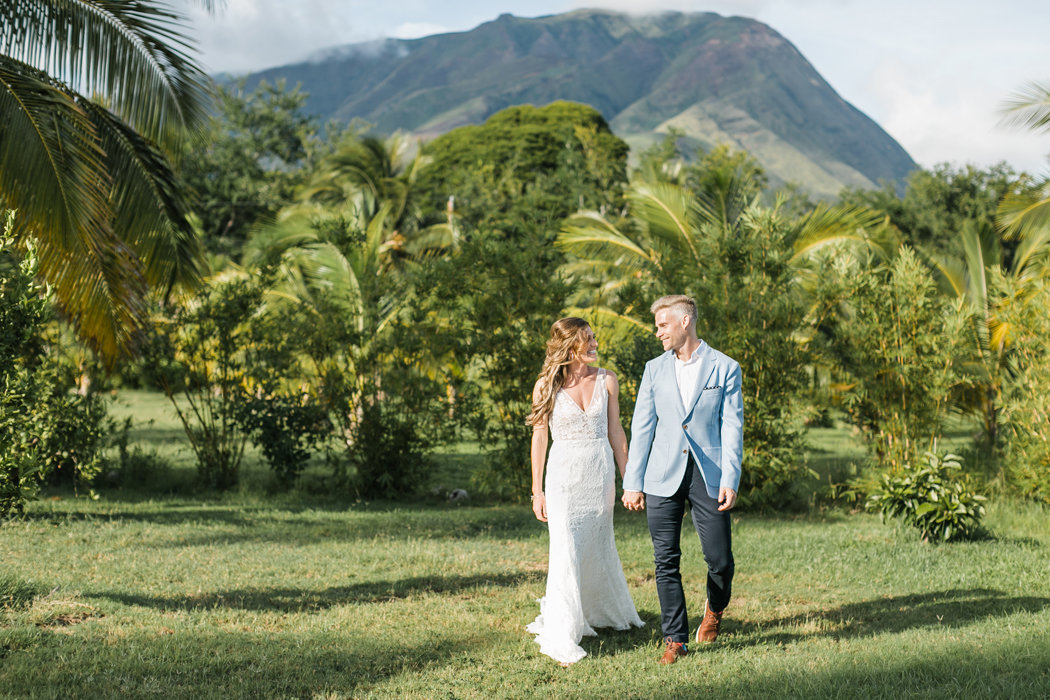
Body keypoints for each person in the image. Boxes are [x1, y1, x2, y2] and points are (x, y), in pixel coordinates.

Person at [621, 295, 743, 665]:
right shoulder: (653, 369)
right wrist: (633, 480)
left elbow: (732, 426)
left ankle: (715, 609)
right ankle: (675, 638)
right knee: (665, 560)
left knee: (719, 559)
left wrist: (730, 476)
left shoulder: (725, 367)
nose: (658, 332)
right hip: (661, 475)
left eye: (663, 325)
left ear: (685, 321)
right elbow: (642, 428)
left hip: (709, 474)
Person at [526, 317, 644, 666]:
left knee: (595, 544)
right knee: (564, 548)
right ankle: (563, 630)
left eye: (594, 338)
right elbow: (539, 438)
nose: (594, 344)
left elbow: (616, 431)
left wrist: (629, 478)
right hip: (562, 479)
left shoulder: (608, 379)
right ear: (569, 346)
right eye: (586, 339)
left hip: (599, 476)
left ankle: (594, 611)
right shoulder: (545, 385)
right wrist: (537, 490)